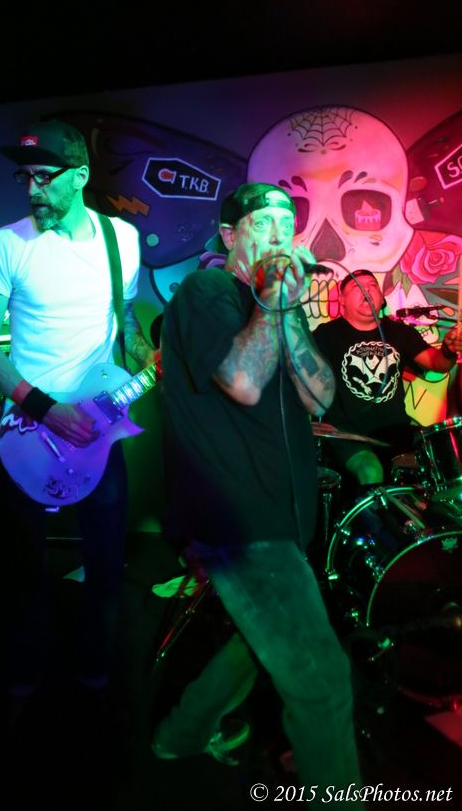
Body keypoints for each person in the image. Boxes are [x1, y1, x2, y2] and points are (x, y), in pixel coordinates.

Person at [153, 182, 363, 799]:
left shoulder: (276, 305)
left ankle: (181, 734)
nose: (280, 237)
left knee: (256, 642)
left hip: (280, 513)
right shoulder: (206, 292)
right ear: (228, 235)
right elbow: (242, 383)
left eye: (287, 225)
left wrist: (288, 307)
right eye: (263, 224)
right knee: (322, 682)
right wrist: (273, 297)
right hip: (237, 519)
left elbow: (319, 396)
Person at [0, 118, 155, 712]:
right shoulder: (8, 244)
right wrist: (45, 409)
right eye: (25, 177)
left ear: (80, 176)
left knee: (105, 566)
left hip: (98, 430)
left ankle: (95, 678)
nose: (33, 190)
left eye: (45, 177)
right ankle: (24, 679)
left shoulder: (122, 240)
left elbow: (123, 319)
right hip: (26, 431)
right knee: (24, 570)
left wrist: (145, 357)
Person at [312, 269, 462, 491]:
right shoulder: (326, 335)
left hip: (396, 431)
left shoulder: (399, 332)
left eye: (372, 286)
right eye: (357, 287)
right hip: (347, 433)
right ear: (341, 300)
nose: (367, 290)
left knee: (436, 466)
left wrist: (448, 350)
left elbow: (437, 364)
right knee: (370, 469)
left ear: (381, 297)